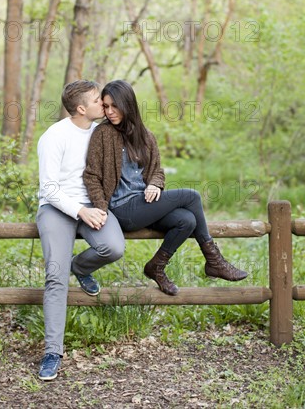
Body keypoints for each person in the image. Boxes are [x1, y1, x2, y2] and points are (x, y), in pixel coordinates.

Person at [83, 80, 247, 297]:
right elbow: (92, 175)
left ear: (128, 104)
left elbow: (157, 170)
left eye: (115, 106)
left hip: (145, 204)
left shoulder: (145, 136)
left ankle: (156, 267)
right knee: (192, 196)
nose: (110, 112)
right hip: (122, 208)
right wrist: (101, 208)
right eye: (105, 106)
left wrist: (155, 183)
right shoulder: (102, 134)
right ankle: (215, 261)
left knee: (186, 220)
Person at [36, 80, 125, 381]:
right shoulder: (54, 136)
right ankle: (52, 352)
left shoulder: (104, 133)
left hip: (93, 203)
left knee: (113, 247)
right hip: (57, 208)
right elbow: (49, 188)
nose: (105, 103)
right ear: (81, 108)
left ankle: (81, 267)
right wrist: (79, 211)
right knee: (55, 275)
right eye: (98, 100)